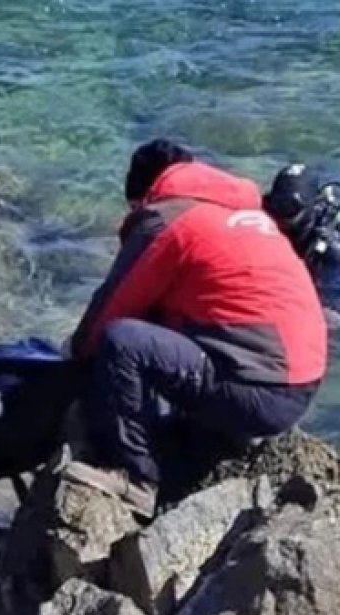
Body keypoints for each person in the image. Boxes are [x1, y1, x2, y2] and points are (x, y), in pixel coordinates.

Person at [59, 139, 328, 517]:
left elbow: (112, 308)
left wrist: (72, 358)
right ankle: (218, 437)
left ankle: (137, 479)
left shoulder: (168, 219)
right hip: (303, 379)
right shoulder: (240, 216)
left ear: (144, 195)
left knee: (121, 341)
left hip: (263, 391)